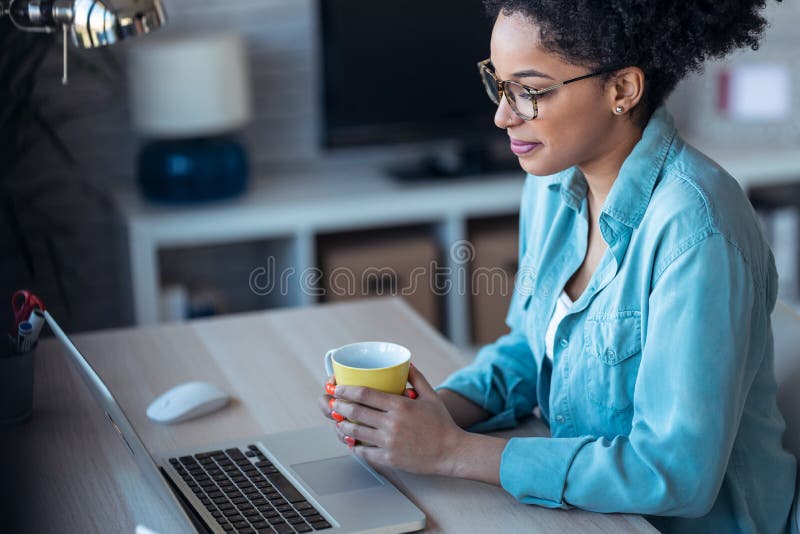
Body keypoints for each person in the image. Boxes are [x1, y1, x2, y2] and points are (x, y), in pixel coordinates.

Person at [319, 1, 797, 532]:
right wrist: (421, 417)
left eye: (531, 91)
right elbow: (535, 345)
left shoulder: (698, 232)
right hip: (596, 514)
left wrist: (453, 453)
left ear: (622, 90)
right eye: (498, 84)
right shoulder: (550, 182)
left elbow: (675, 475)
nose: (502, 115)